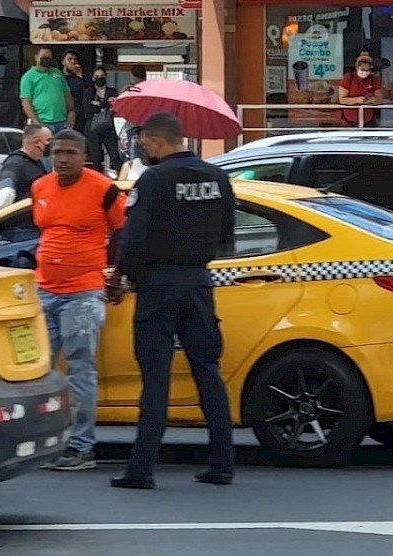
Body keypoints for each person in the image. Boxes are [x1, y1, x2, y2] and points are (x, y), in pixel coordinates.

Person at [110, 112, 236, 490]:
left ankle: (142, 469)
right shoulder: (217, 177)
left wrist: (120, 276)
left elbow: (132, 238)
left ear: (158, 141)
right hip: (198, 282)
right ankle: (222, 464)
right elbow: (227, 233)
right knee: (208, 372)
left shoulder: (153, 179)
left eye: (145, 142)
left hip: (158, 285)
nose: (143, 148)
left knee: (155, 377)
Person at [34, 129, 126, 471]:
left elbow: (121, 232)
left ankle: (82, 446)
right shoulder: (40, 187)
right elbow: (43, 231)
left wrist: (115, 276)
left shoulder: (104, 190)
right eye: (57, 151)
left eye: (70, 152)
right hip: (44, 290)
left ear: (83, 156)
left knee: (79, 370)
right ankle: (44, 441)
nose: (62, 158)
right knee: (37, 370)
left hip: (83, 293)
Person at [0, 124, 52, 212]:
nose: (51, 144)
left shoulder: (37, 163)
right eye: (48, 140)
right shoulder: (14, 164)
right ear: (37, 142)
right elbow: (3, 200)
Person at [20, 46, 77, 133]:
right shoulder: (28, 77)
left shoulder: (58, 73)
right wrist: (37, 122)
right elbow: (26, 102)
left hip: (62, 122)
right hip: (42, 122)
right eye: (43, 56)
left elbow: (67, 94)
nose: (46, 59)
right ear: (36, 57)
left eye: (49, 57)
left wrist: (71, 112)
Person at [83, 66, 122, 173]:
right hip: (92, 127)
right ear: (92, 78)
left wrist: (97, 104)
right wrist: (104, 104)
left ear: (105, 77)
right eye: (96, 76)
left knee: (115, 155)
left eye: (101, 76)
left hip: (107, 126)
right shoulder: (88, 92)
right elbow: (87, 108)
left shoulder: (112, 91)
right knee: (96, 157)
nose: (99, 78)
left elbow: (115, 107)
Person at [338, 52, 383, 127]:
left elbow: (380, 99)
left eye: (367, 70)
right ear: (357, 67)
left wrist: (372, 100)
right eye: (362, 69)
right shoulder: (348, 78)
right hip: (350, 120)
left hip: (368, 119)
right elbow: (342, 100)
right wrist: (357, 100)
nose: (364, 72)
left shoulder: (373, 79)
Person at [62, 49, 90, 132]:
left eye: (75, 59)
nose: (73, 61)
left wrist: (80, 75)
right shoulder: (59, 77)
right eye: (70, 59)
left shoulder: (83, 77)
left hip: (79, 114)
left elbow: (88, 91)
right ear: (63, 62)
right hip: (63, 112)